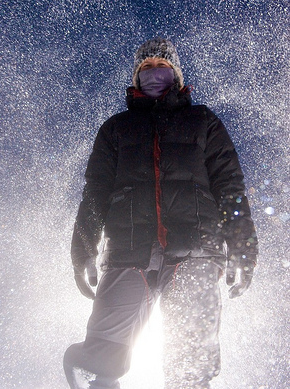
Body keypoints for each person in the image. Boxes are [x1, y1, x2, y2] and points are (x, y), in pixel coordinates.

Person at [63, 37, 258, 389]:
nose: (154, 73)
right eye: (146, 67)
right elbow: (95, 193)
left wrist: (242, 247)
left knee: (190, 357)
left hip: (196, 249)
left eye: (162, 66)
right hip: (127, 249)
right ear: (136, 78)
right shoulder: (116, 129)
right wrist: (83, 249)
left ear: (176, 75)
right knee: (102, 357)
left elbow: (230, 187)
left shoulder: (203, 122)